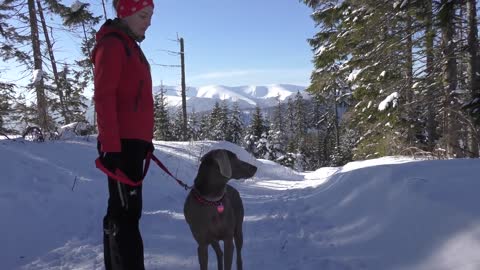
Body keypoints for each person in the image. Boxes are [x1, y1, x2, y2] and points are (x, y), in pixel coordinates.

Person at [91, 0, 155, 269]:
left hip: (133, 146)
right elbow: (104, 98)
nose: (148, 22)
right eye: (143, 15)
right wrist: (111, 148)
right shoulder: (113, 45)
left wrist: (145, 142)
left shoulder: (130, 47)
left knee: (129, 214)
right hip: (121, 147)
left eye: (150, 16)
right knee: (124, 216)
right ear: (125, 13)